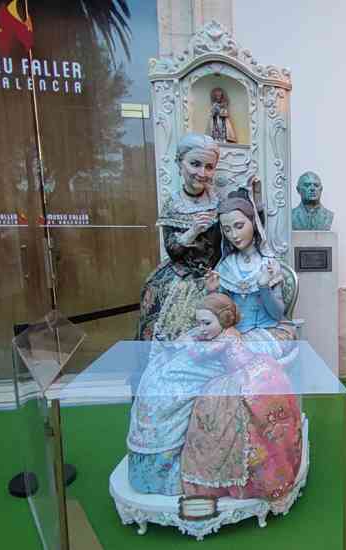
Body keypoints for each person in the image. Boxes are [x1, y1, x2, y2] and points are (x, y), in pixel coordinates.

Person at [126, 293, 302, 501]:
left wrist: (187, 343)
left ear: (224, 319)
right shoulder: (223, 332)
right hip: (244, 369)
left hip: (246, 376)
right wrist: (193, 336)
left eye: (206, 323)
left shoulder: (227, 337)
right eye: (199, 323)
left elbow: (200, 354)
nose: (201, 328)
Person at [138, 133, 221, 341]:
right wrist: (193, 231)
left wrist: (255, 198)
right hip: (180, 279)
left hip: (215, 276)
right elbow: (173, 251)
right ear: (179, 163)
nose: (202, 173)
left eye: (209, 167)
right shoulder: (174, 204)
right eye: (195, 164)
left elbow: (239, 233)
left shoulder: (218, 202)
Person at [207, 197, 296, 345]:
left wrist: (264, 287)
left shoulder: (269, 264)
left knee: (236, 347)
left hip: (267, 331)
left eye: (239, 226)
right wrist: (212, 292)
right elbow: (220, 314)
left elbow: (277, 314)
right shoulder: (226, 266)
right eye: (227, 230)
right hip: (233, 332)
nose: (234, 235)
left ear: (253, 223)